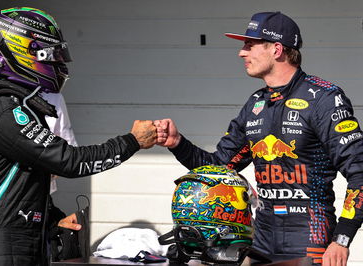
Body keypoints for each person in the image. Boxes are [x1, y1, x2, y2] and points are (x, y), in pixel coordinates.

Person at [155, 11, 363, 266]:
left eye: (249, 45)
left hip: (310, 238)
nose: (242, 53)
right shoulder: (256, 103)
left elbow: (359, 172)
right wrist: (178, 143)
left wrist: (341, 239)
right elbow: (219, 169)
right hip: (261, 239)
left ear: (276, 49)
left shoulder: (324, 98)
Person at [0, 7, 156, 266]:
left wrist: (53, 217)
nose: (56, 63)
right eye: (48, 55)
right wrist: (132, 141)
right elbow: (69, 162)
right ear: (18, 52)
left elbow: (22, 183)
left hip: (24, 237)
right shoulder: (3, 110)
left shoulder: (22, 107)